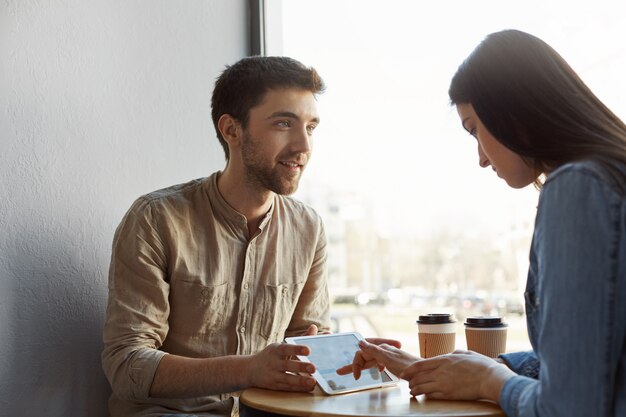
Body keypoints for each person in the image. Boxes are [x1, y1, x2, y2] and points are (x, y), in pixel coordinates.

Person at [338, 29, 626, 417]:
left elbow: (570, 407)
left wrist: (489, 381)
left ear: (513, 112)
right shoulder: (609, 177)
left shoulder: (577, 188)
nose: (481, 159)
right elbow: (602, 363)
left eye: (474, 130)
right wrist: (457, 369)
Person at [102, 56, 332, 417]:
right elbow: (127, 366)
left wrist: (349, 360)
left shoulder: (309, 228)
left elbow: (309, 341)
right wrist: (249, 369)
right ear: (232, 130)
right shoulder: (156, 218)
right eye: (284, 123)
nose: (303, 145)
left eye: (311, 127)